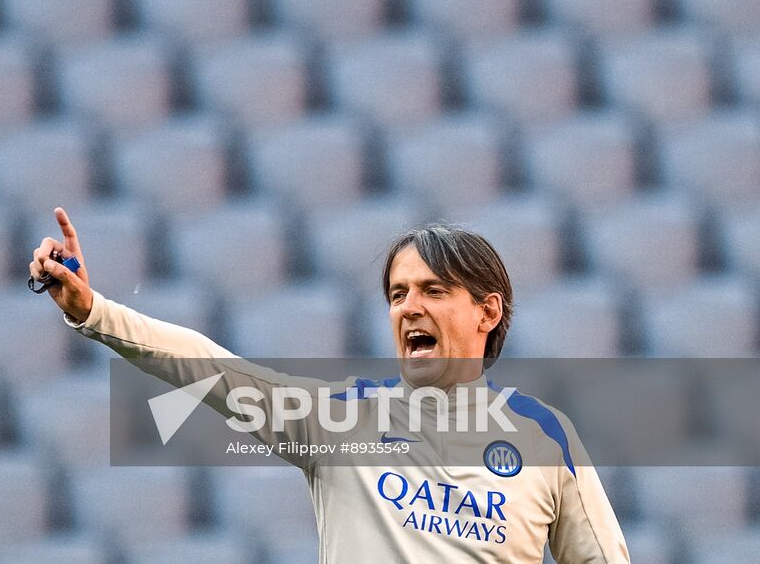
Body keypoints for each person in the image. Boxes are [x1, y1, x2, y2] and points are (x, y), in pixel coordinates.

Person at [31, 207, 630, 562]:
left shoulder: (545, 439)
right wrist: (93, 310)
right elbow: (209, 368)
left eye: (433, 291)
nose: (408, 309)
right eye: (398, 295)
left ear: (488, 311)